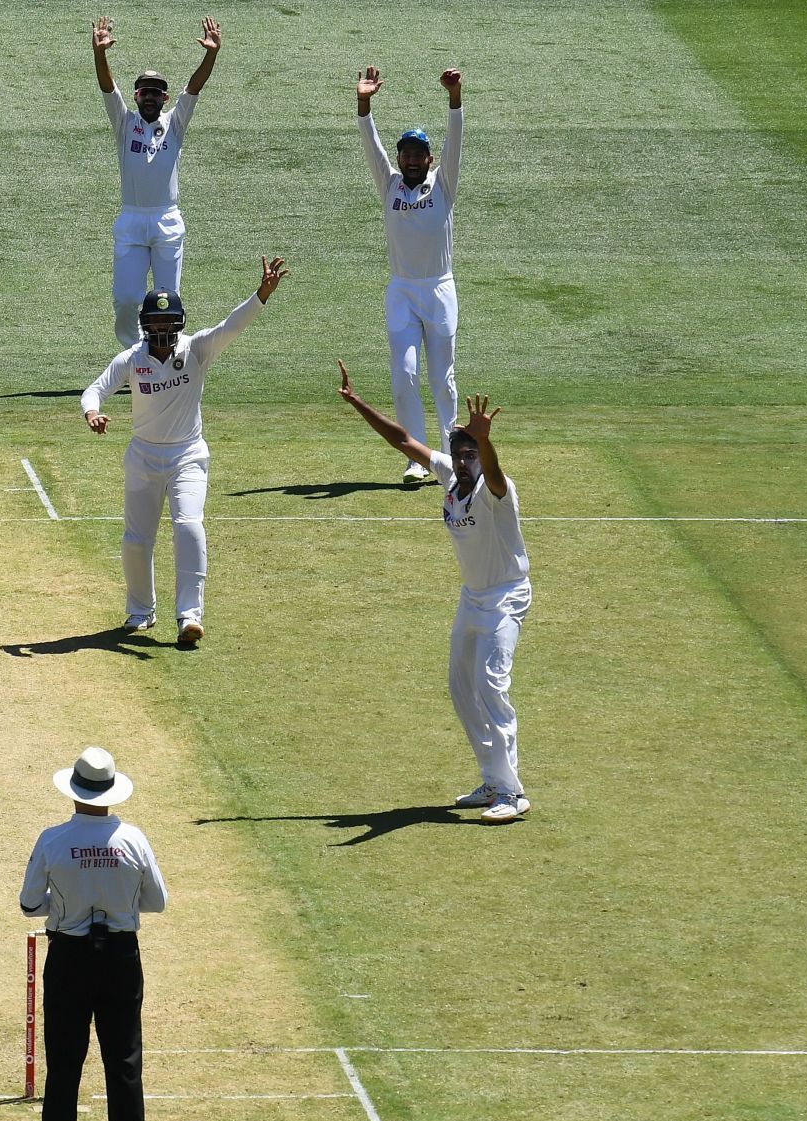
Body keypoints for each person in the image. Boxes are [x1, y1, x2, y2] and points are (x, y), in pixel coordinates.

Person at [335, 362, 532, 823]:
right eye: (460, 454)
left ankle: (513, 793)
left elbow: (497, 474)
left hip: (506, 596)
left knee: (491, 685)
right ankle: (491, 780)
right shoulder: (448, 475)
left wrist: (485, 441)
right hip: (472, 597)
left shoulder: (497, 491)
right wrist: (357, 402)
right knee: (461, 687)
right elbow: (404, 441)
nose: (464, 462)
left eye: (471, 455)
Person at [80, 257, 289, 648]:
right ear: (145, 326)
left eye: (167, 323)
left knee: (188, 526)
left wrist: (262, 294)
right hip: (143, 457)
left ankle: (189, 617)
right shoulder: (131, 360)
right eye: (154, 324)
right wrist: (92, 412)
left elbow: (232, 326)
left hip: (187, 456)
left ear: (178, 323)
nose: (161, 330)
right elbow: (95, 389)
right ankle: (140, 611)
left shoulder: (196, 349)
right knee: (135, 540)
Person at [20, 746, 168, 1121]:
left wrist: (65, 907)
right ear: (111, 793)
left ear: (74, 791)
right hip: (121, 955)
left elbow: (29, 904)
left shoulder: (53, 839)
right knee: (123, 1061)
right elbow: (156, 901)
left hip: (68, 955)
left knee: (63, 1064)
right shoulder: (133, 839)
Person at [356, 66, 464, 483]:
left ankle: (452, 454)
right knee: (404, 375)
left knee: (442, 378)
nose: (412, 158)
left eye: (420, 152)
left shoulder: (443, 185)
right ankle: (417, 459)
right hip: (401, 291)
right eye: (407, 152)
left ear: (430, 159)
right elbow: (371, 146)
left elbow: (456, 142)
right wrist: (364, 104)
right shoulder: (390, 185)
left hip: (439, 289)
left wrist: (455, 98)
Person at [92, 15, 221, 348]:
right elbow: (108, 88)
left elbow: (194, 88)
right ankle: (136, 355)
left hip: (167, 220)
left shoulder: (175, 123)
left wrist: (211, 54)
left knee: (169, 303)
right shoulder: (124, 123)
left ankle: (168, 359)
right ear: (136, 96)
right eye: (144, 92)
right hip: (132, 220)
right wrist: (100, 53)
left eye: (156, 93)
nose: (149, 97)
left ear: (165, 98)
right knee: (125, 299)